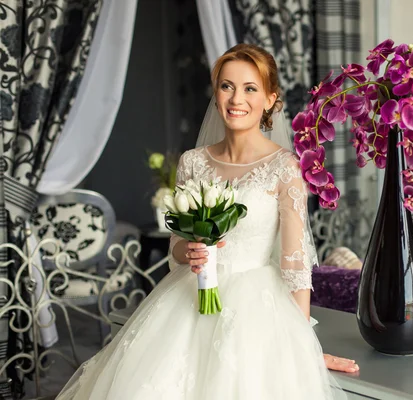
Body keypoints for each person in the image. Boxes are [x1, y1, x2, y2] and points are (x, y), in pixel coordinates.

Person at [56, 44, 357, 399]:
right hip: (187, 297)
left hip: (256, 306)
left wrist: (303, 344)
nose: (236, 98)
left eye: (250, 88)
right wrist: (191, 249)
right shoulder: (192, 162)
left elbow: (295, 266)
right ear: (216, 94)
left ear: (270, 99)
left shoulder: (284, 168)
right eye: (226, 86)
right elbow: (176, 249)